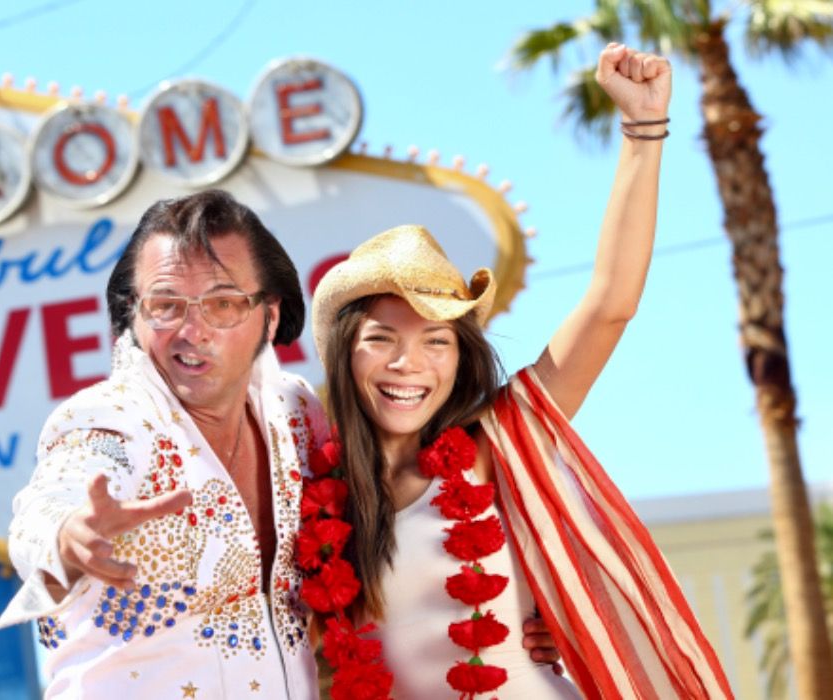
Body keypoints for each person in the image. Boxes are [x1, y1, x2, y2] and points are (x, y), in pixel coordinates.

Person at [0, 190, 561, 698]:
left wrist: (515, 621)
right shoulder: (107, 419)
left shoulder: (296, 415)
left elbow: (381, 538)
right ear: (133, 318)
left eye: (221, 304)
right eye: (165, 305)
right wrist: (68, 538)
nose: (191, 330)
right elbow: (52, 501)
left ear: (269, 318)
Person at [306, 44, 733, 698]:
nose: (407, 364)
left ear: (460, 360)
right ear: (345, 352)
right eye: (382, 338)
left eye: (437, 342)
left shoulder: (496, 442)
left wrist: (643, 131)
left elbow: (610, 306)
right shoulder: (311, 496)